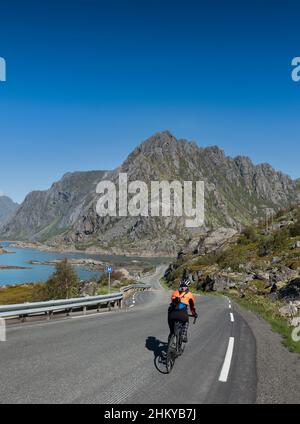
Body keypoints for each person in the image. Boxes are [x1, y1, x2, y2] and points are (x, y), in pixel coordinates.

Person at [168, 277, 197, 343]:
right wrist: (194, 314)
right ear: (187, 286)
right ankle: (183, 335)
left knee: (171, 331)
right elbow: (192, 307)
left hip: (171, 314)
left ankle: (171, 338)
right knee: (186, 322)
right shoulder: (190, 295)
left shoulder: (174, 293)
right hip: (182, 314)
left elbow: (172, 302)